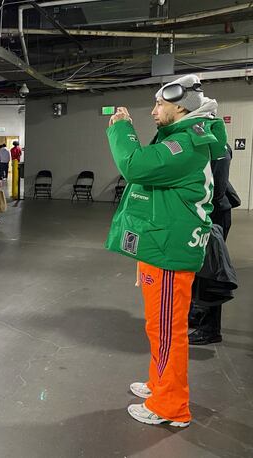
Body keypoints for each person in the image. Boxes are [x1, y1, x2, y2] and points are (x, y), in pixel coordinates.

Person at [106, 74, 227, 427]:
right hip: (162, 246)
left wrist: (122, 128)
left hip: (169, 251)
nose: (154, 110)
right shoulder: (184, 137)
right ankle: (161, 385)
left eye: (160, 104)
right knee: (158, 326)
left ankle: (170, 406)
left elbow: (135, 165)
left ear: (180, 106)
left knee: (167, 330)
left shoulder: (186, 144)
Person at [189, 144, 237, 345]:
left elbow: (216, 188)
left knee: (211, 273)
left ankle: (210, 329)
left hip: (214, 214)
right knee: (198, 270)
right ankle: (199, 314)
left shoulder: (216, 143)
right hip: (203, 213)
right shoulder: (200, 139)